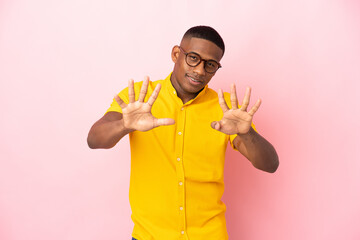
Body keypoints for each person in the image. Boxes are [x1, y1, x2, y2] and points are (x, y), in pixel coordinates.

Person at [87, 26, 279, 240]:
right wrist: (125, 124)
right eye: (193, 58)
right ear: (176, 54)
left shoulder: (224, 109)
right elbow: (94, 140)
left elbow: (270, 164)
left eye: (211, 65)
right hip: (149, 236)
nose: (199, 70)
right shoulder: (140, 99)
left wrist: (246, 134)